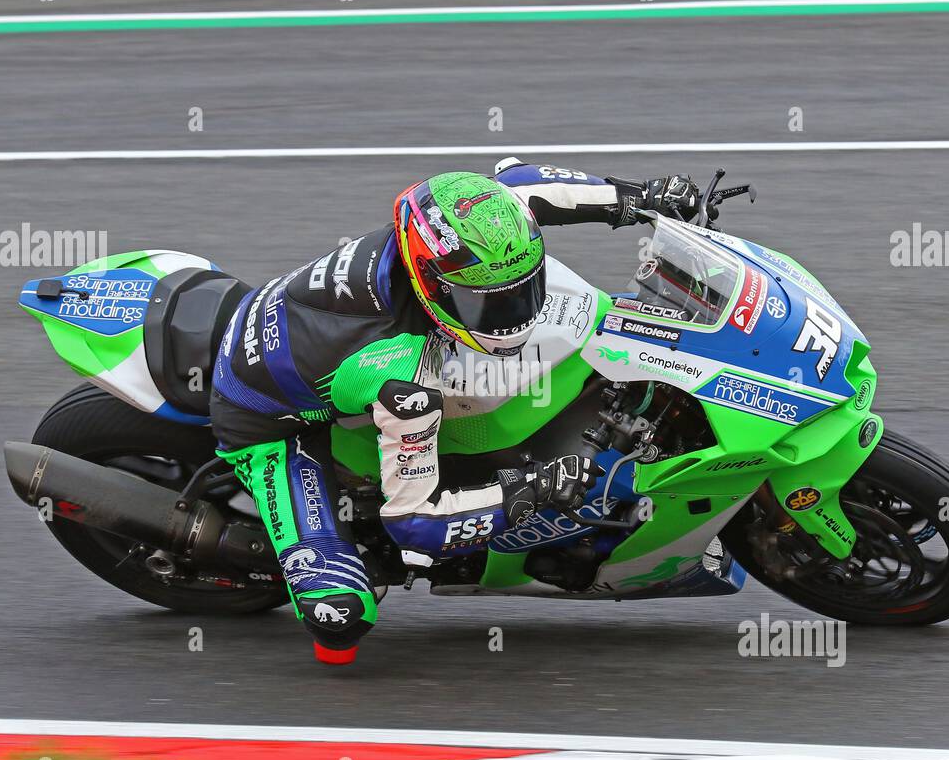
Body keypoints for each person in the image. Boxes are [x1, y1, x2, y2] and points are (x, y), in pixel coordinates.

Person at [210, 158, 701, 663]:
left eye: (522, 289)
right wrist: (531, 488)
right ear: (431, 283)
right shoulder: (397, 375)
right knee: (342, 614)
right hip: (269, 424)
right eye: (487, 303)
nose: (514, 316)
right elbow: (416, 523)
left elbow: (523, 183)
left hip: (307, 335)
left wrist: (646, 196)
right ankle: (303, 555)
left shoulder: (468, 220)